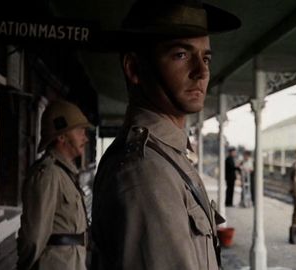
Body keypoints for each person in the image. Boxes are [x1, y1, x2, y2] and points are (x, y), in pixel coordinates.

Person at [91, 1, 240, 269]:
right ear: (134, 69)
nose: (202, 71)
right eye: (181, 55)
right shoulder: (147, 172)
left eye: (205, 58)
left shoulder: (165, 156)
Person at [17, 99, 92, 270]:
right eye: (80, 130)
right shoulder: (48, 174)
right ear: (61, 136)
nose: (85, 138)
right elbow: (33, 237)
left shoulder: (64, 174)